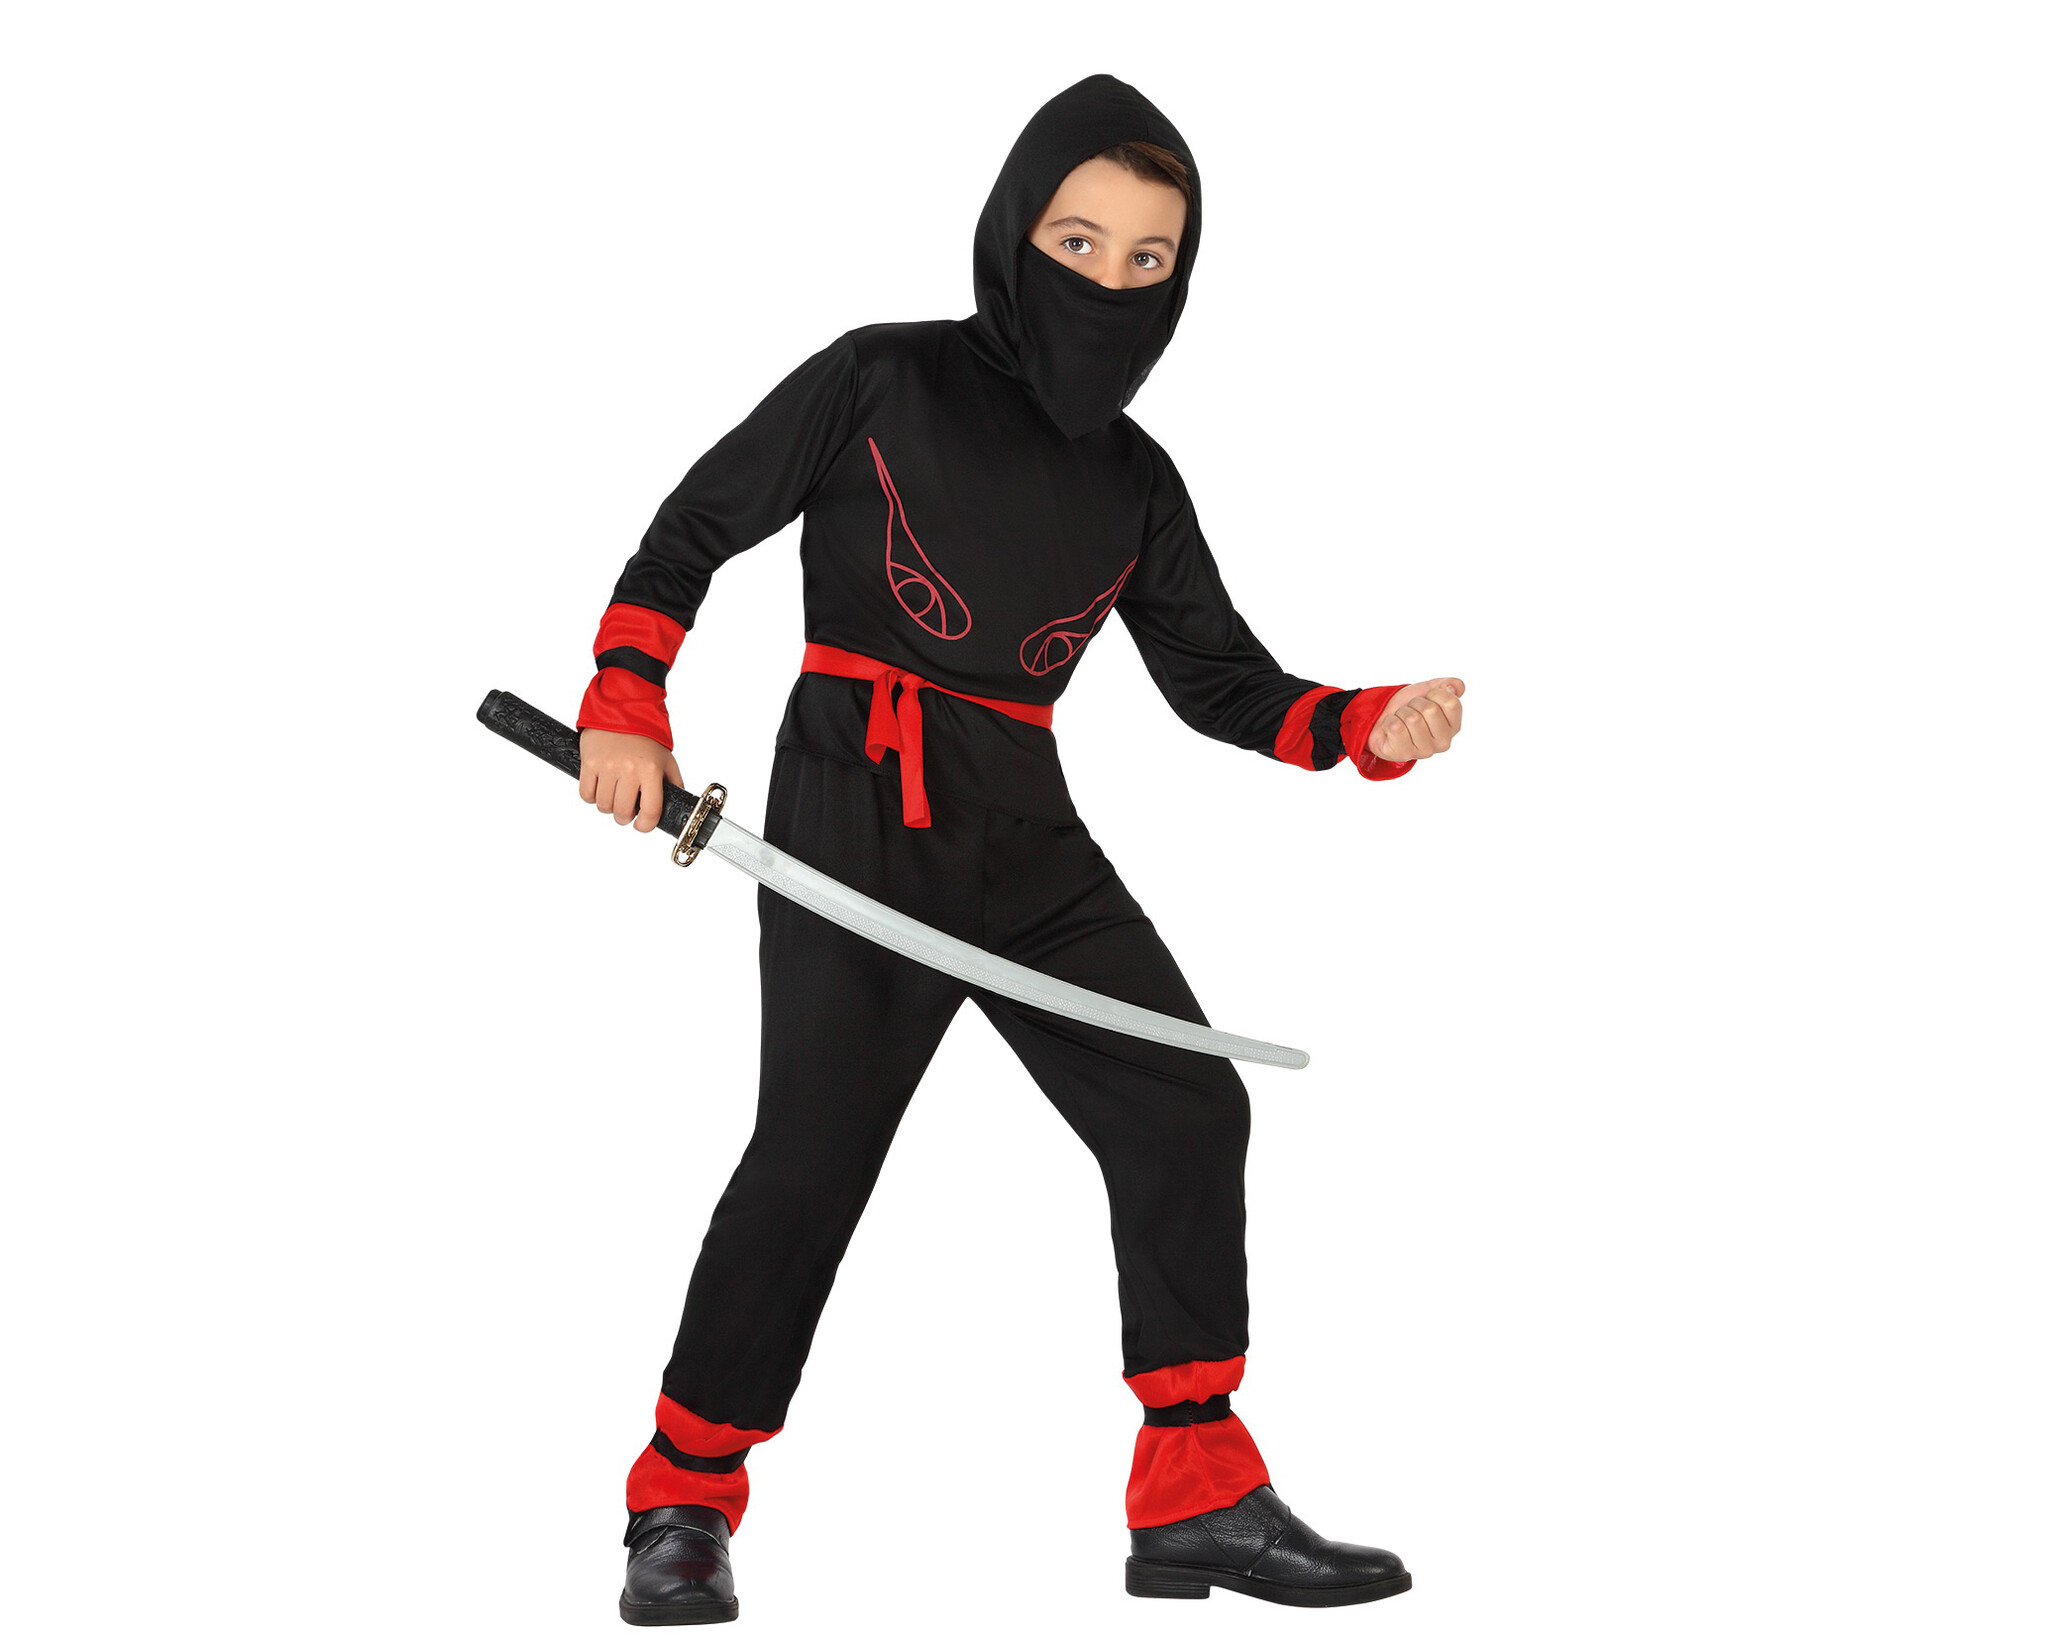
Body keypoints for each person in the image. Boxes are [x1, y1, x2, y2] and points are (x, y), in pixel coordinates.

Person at [573, 73, 1464, 1623]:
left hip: (1025, 827)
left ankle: (1195, 1495)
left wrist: (1358, 724)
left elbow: (1221, 684)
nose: (1110, 281)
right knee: (814, 1159)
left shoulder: (1135, 478)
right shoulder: (881, 376)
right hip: (857, 808)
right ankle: (683, 1497)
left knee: (1185, 1105)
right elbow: (694, 525)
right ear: (1013, 230)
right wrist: (627, 698)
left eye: (1148, 258)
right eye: (1079, 241)